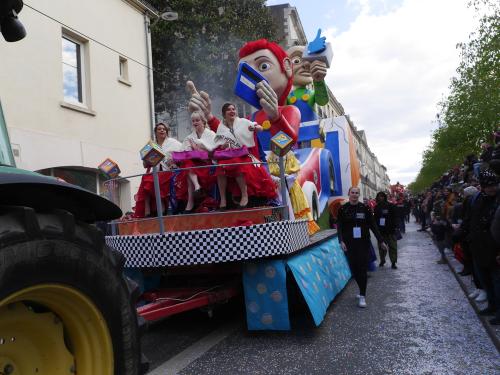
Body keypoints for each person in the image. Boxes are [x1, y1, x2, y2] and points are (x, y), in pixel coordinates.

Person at [214, 102, 277, 210]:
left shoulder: (243, 122)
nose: (232, 111)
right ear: (224, 114)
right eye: (229, 109)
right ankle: (223, 201)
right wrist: (223, 146)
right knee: (220, 168)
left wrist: (256, 128)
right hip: (229, 156)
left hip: (245, 155)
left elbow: (259, 127)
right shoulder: (221, 128)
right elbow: (217, 144)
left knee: (238, 165)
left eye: (233, 109)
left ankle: (244, 196)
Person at [337, 186, 388, 308]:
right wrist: (341, 241)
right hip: (349, 243)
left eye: (357, 193)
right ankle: (361, 290)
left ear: (359, 195)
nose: (354, 195)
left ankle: (362, 295)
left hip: (363, 243)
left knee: (362, 268)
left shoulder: (365, 208)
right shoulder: (343, 209)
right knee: (354, 269)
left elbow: (373, 225)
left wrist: (381, 240)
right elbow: (340, 226)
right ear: (349, 194)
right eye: (352, 192)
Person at [134, 122, 183, 217]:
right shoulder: (151, 145)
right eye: (159, 129)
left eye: (164, 129)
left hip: (169, 172)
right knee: (146, 179)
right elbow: (145, 165)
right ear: (155, 132)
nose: (162, 130)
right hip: (156, 172)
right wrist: (147, 158)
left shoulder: (173, 143)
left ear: (167, 131)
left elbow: (182, 155)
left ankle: (163, 207)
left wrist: (174, 162)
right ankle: (147, 209)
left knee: (155, 180)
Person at [176, 111, 217, 213]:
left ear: (203, 121)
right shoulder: (189, 137)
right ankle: (196, 186)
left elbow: (213, 152)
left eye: (197, 120)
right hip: (194, 164)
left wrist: (197, 149)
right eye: (193, 121)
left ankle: (190, 203)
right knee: (187, 163)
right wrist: (190, 149)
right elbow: (183, 152)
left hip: (206, 164)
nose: (195, 122)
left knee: (188, 168)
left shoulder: (211, 134)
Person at [374, 191, 398, 269]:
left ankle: (393, 262)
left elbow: (395, 217)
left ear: (385, 197)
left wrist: (395, 227)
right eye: (379, 196)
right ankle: (382, 260)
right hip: (381, 231)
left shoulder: (391, 206)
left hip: (391, 231)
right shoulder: (376, 207)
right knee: (381, 248)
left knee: (393, 247)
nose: (380, 198)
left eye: (382, 196)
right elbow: (375, 219)